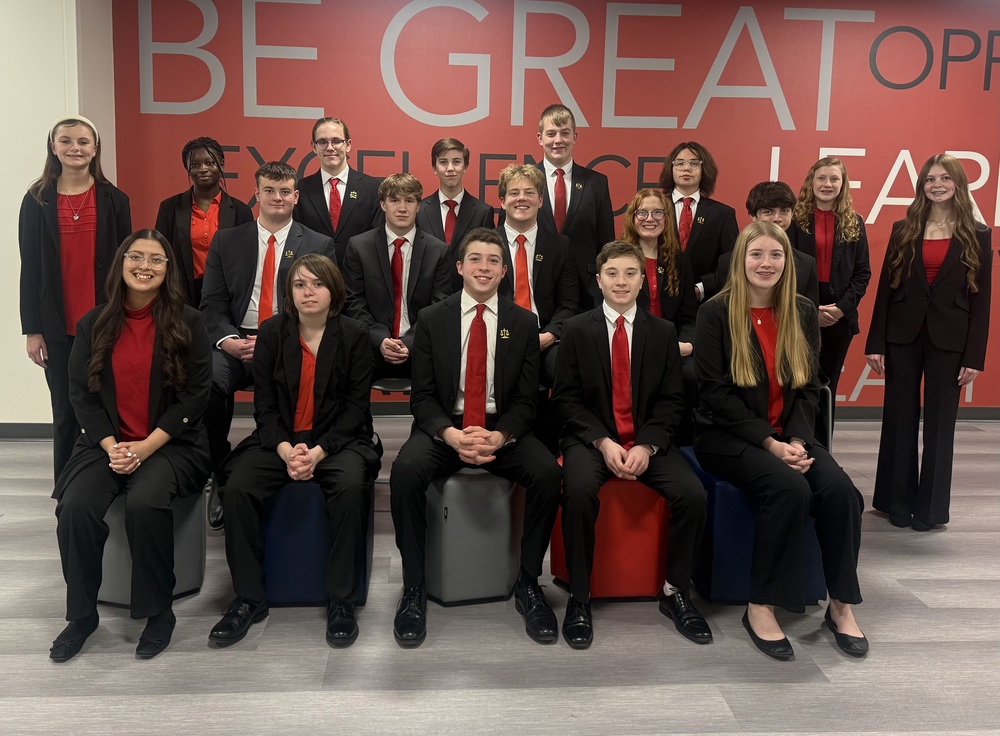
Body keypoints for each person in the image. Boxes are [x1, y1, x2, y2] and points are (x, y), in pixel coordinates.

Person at [694, 220, 867, 660]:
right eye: (757, 254)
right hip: (729, 436)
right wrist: (770, 445)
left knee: (842, 493)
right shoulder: (716, 312)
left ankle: (841, 605)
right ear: (741, 260)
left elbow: (809, 386)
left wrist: (797, 439)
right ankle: (761, 605)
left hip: (790, 436)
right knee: (789, 490)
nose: (766, 263)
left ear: (788, 262)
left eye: (776, 255)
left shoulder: (803, 311)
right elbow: (714, 394)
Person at [389, 228, 562, 648]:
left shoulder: (523, 322)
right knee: (405, 473)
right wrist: (449, 435)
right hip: (445, 427)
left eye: (493, 261)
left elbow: (526, 399)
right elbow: (423, 397)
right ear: (460, 267)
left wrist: (500, 436)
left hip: (500, 428)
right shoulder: (433, 319)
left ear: (505, 271)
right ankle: (414, 587)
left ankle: (527, 582)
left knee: (547, 475)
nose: (484, 267)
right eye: (476, 259)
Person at [50, 229, 211, 661]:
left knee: (146, 503)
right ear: (121, 264)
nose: (145, 266)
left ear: (168, 269)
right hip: (105, 444)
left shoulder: (189, 321)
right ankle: (81, 616)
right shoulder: (94, 322)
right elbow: (80, 394)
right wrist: (111, 446)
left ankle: (159, 612)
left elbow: (195, 397)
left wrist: (145, 448)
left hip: (172, 444)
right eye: (135, 257)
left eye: (156, 259)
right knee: (75, 508)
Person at [209, 254, 382, 648]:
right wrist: (287, 449)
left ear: (333, 290)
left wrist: (318, 452)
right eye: (300, 284)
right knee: (237, 488)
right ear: (289, 291)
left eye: (317, 284)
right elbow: (264, 407)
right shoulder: (271, 333)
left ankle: (341, 599)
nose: (308, 292)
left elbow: (356, 409)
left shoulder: (354, 334)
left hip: (339, 441)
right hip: (281, 439)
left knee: (351, 487)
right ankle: (249, 598)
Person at [552, 241, 710, 650]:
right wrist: (602, 442)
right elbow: (566, 399)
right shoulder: (575, 330)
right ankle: (580, 597)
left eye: (630, 273)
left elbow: (673, 400)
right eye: (612, 273)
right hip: (592, 441)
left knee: (692, 495)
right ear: (599, 280)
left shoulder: (663, 332)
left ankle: (676, 591)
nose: (621, 281)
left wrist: (647, 446)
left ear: (643, 280)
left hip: (647, 443)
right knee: (580, 492)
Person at [200, 162, 335, 528]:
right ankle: (218, 472)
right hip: (236, 341)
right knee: (208, 385)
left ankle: (293, 464)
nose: (277, 198)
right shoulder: (227, 241)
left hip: (291, 340)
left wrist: (275, 340)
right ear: (256, 194)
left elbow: (323, 306)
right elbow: (211, 303)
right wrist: (228, 341)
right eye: (269, 191)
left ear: (296, 196)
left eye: (285, 192)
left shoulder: (320, 244)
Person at [865, 154, 993, 531]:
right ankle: (896, 504)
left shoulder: (978, 233)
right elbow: (886, 290)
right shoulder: (904, 228)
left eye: (944, 178)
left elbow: (982, 299)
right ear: (922, 185)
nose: (936, 184)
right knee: (899, 420)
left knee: (940, 425)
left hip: (950, 339)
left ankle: (931, 510)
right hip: (902, 334)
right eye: (930, 179)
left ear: (957, 184)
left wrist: (975, 355)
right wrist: (876, 342)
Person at [19, 115, 132, 480]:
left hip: (105, 322)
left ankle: (106, 480)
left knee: (108, 405)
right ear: (53, 148)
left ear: (95, 148)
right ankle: (65, 488)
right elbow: (30, 268)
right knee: (65, 410)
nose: (75, 148)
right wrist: (32, 329)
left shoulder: (115, 199)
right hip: (56, 325)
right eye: (66, 141)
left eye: (83, 141)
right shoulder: (36, 200)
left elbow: (126, 267)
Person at [789, 157, 871, 445]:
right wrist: (811, 309)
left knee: (828, 386)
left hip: (839, 315)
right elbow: (786, 270)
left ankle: (824, 448)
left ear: (842, 184)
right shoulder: (796, 219)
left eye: (834, 179)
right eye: (821, 178)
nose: (827, 184)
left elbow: (863, 273)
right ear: (811, 182)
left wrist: (840, 309)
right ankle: (798, 445)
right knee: (799, 384)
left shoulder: (854, 221)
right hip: (800, 312)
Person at [343, 173, 452, 381]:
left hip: (420, 344)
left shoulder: (438, 251)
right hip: (372, 345)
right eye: (394, 200)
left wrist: (410, 343)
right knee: (348, 384)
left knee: (442, 382)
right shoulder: (358, 247)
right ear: (383, 204)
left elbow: (441, 305)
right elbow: (353, 301)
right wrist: (380, 339)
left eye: (409, 200)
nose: (402, 208)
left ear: (418, 206)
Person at [494, 163, 578, 387]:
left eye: (529, 192)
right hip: (498, 338)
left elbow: (568, 304)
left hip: (545, 340)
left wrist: (550, 335)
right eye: (514, 193)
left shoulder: (560, 246)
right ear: (502, 201)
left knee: (567, 366)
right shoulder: (486, 244)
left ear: (540, 200)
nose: (522, 198)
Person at [533, 104, 615, 310]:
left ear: (575, 137)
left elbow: (606, 244)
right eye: (551, 134)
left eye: (565, 133)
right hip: (535, 284)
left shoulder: (597, 183)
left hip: (586, 292)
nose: (558, 140)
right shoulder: (524, 181)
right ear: (540, 138)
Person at [154, 136, 254, 305]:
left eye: (209, 163)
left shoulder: (241, 211)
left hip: (227, 297)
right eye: (194, 164)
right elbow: (159, 254)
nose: (202, 169)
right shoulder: (169, 208)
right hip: (181, 297)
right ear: (187, 168)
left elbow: (247, 263)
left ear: (221, 164)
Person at [293, 116, 383, 266]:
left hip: (360, 280)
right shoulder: (301, 189)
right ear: (314, 147)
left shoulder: (372, 188)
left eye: (336, 141)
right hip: (314, 278)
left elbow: (377, 239)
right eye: (322, 142)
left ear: (348, 145)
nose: (330, 147)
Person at [714, 181, 819, 306]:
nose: (777, 218)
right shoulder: (728, 262)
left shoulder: (807, 264)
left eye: (784, 211)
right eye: (768, 212)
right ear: (753, 216)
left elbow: (809, 315)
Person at [658, 141, 738, 303]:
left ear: (704, 169)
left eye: (694, 163)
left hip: (705, 300)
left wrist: (701, 288)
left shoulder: (722, 214)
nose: (686, 168)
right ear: (671, 168)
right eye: (680, 163)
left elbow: (731, 262)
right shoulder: (655, 209)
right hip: (658, 298)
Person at [620, 189, 697, 351]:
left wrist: (687, 344)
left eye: (657, 212)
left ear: (666, 218)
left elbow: (688, 318)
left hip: (670, 345)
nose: (650, 219)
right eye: (642, 212)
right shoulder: (617, 258)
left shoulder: (680, 261)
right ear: (633, 218)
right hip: (627, 344)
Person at [416, 137, 495, 291]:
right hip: (428, 296)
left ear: (465, 167)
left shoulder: (483, 212)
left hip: (468, 293)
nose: (450, 168)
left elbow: (487, 257)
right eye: (443, 162)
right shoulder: (420, 211)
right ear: (434, 167)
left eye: (457, 162)